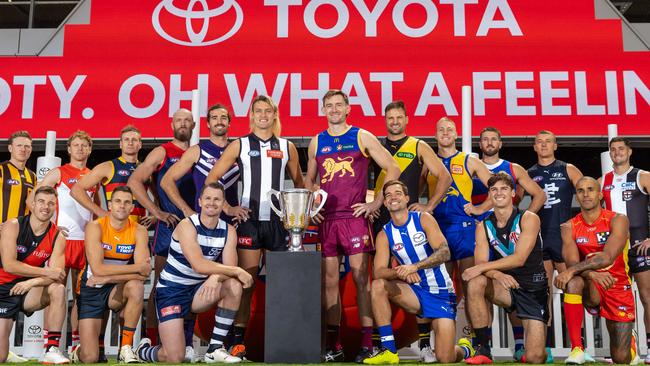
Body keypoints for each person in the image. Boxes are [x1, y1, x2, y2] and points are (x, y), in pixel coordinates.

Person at [304, 89, 400, 362]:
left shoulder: (361, 136)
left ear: (348, 109)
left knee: (361, 281)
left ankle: (367, 344)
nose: (333, 109)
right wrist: (312, 207)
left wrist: (376, 203)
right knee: (330, 283)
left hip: (355, 219)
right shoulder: (316, 141)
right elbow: (309, 181)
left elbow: (392, 168)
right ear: (323, 110)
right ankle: (334, 345)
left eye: (338, 105)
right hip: (328, 221)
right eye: (328, 106)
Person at [205, 95, 304, 359]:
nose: (263, 115)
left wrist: (299, 215)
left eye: (267, 111)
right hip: (249, 223)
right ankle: (238, 344)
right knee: (245, 284)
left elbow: (300, 183)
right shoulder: (239, 144)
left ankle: (284, 343)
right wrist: (228, 209)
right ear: (252, 115)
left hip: (278, 224)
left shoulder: (287, 146)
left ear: (274, 115)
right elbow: (212, 179)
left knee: (282, 286)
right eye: (258, 111)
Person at [136, 182, 254, 364]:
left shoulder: (228, 231)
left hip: (198, 292)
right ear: (199, 202)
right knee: (175, 357)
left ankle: (215, 349)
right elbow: (199, 264)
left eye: (217, 199)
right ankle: (143, 351)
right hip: (171, 291)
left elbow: (228, 271)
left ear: (223, 203)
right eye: (207, 198)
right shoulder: (187, 225)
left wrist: (216, 276)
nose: (212, 203)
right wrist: (237, 270)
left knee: (233, 286)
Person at [370, 100, 451, 362]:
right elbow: (362, 181)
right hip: (382, 221)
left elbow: (444, 176)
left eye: (398, 118)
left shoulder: (417, 145)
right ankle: (383, 346)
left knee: (422, 272)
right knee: (377, 280)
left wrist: (430, 205)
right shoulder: (376, 146)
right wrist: (372, 202)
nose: (394, 122)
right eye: (389, 118)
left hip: (410, 219)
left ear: (406, 120)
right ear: (385, 120)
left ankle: (428, 345)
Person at [363, 180, 473, 365]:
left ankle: (465, 349)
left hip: (440, 293)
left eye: (397, 193)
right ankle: (389, 350)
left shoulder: (423, 219)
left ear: (407, 198)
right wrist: (400, 272)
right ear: (384, 202)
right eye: (388, 195)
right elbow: (379, 271)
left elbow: (445, 252)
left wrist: (415, 267)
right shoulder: (384, 234)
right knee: (378, 285)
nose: (393, 197)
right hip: (414, 293)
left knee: (445, 358)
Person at [470, 126, 547, 360]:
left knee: (535, 358)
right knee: (476, 282)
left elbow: (520, 258)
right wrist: (495, 274)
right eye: (494, 190)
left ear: (513, 193)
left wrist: (487, 269)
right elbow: (481, 263)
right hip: (507, 286)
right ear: (489, 195)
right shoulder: (483, 226)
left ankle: (531, 346)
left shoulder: (528, 218)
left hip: (532, 290)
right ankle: (484, 349)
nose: (499, 193)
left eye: (504, 189)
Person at [126, 109, 195, 354]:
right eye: (179, 120)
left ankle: (185, 342)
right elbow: (134, 181)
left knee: (192, 284)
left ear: (194, 124)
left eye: (187, 120)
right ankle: (150, 338)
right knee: (162, 284)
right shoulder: (163, 151)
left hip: (195, 227)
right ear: (172, 124)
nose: (183, 124)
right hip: (170, 227)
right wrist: (157, 212)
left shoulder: (198, 152)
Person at [25, 130, 95, 355]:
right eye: (76, 145)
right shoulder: (59, 172)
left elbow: (98, 208)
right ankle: (51, 347)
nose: (80, 149)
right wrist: (49, 229)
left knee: (82, 297)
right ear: (69, 149)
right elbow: (32, 199)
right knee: (55, 290)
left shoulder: (94, 175)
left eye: (84, 146)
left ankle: (76, 346)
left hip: (86, 243)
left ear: (90, 149)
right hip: (62, 241)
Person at [554, 177, 637, 365]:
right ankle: (577, 349)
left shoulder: (618, 220)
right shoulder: (569, 227)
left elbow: (607, 257)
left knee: (621, 358)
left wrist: (571, 270)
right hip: (591, 284)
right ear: (577, 196)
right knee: (573, 282)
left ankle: (631, 343)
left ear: (600, 194)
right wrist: (590, 274)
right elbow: (571, 261)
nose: (586, 194)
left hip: (617, 285)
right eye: (581, 190)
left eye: (590, 189)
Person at [73, 186, 150, 364]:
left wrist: (108, 277)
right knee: (90, 357)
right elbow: (98, 269)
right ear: (110, 205)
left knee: (137, 287)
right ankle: (78, 351)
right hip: (91, 288)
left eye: (126, 202)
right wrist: (134, 269)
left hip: (115, 287)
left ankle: (126, 348)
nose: (122, 206)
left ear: (132, 207)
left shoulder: (139, 231)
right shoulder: (95, 227)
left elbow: (144, 272)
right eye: (117, 201)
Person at [527, 130, 583, 357]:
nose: (543, 145)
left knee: (574, 287)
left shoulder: (567, 168)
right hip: (540, 239)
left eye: (548, 142)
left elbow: (589, 192)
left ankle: (578, 346)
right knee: (543, 294)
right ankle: (546, 348)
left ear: (555, 146)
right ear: (534, 147)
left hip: (564, 239)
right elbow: (513, 200)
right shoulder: (529, 173)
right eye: (539, 142)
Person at [0, 186, 68, 364]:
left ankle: (52, 349)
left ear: (55, 207)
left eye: (51, 203)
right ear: (32, 204)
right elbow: (9, 265)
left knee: (58, 289)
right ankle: (5, 350)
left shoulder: (57, 236)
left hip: (27, 290)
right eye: (41, 202)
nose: (46, 206)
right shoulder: (13, 225)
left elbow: (58, 275)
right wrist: (45, 271)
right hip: (2, 286)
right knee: (0, 356)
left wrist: (32, 282)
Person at [600, 137, 650, 362]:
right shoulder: (603, 181)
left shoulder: (642, 176)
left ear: (629, 151)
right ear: (609, 154)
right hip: (615, 248)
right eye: (613, 149)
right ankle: (622, 351)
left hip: (640, 245)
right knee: (615, 299)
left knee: (647, 298)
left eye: (621, 148)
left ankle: (649, 349)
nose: (617, 152)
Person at [161, 103, 240, 221]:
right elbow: (166, 182)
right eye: (214, 118)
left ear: (229, 123)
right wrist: (186, 210)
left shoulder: (238, 151)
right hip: (203, 222)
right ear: (208, 124)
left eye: (223, 118)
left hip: (233, 220)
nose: (219, 121)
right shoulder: (196, 151)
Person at [70, 125, 148, 223]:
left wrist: (154, 216)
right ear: (121, 144)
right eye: (126, 139)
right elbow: (76, 190)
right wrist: (101, 212)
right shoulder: (108, 167)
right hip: (114, 228)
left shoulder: (146, 169)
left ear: (140, 144)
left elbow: (158, 196)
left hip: (138, 229)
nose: (130, 143)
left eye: (134, 140)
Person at [1, 131, 36, 223]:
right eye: (19, 145)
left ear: (31, 150)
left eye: (27, 146)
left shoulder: (32, 176)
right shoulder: (1, 169)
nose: (23, 149)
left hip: (23, 232)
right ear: (10, 148)